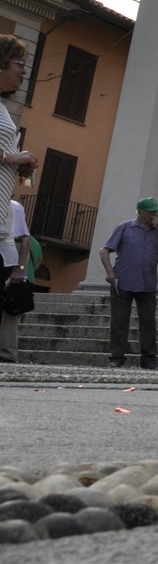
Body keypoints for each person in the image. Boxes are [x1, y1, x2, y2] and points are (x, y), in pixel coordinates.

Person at [100, 197, 158, 370]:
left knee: (148, 322)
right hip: (123, 282)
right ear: (140, 211)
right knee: (119, 321)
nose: (155, 214)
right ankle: (117, 357)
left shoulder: (157, 232)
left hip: (147, 284)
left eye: (156, 211)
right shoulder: (124, 227)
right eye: (151, 211)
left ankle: (149, 360)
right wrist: (110, 272)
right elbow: (104, 251)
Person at [0, 35, 39, 363]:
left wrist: (21, 166)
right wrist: (11, 157)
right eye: (19, 64)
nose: (24, 72)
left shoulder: (3, 109)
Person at [0, 199, 38, 363]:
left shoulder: (15, 206)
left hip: (9, 256)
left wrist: (20, 269)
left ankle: (7, 352)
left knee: (9, 308)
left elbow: (25, 240)